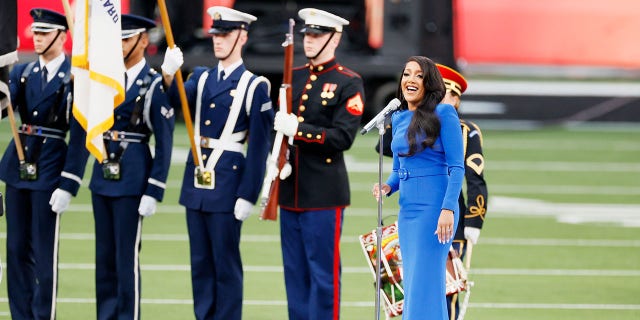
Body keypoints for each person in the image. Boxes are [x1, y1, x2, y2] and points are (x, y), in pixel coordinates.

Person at [162, 6, 274, 320]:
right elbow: (173, 102)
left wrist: (247, 194)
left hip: (228, 185)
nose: (217, 40)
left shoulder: (255, 86)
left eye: (224, 34)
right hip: (198, 183)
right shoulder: (201, 77)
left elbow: (258, 148)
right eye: (215, 34)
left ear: (242, 36)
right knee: (200, 263)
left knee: (225, 265)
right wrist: (169, 74)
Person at [67, 14, 176, 320]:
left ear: (143, 41)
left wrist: (154, 188)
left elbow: (165, 141)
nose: (120, 46)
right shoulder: (105, 79)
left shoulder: (152, 84)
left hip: (133, 179)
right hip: (103, 177)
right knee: (104, 259)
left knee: (125, 260)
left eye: (126, 40)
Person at [374, 63, 488, 319]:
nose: (410, 79)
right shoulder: (399, 117)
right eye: (406, 74)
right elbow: (398, 168)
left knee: (425, 283)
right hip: (408, 211)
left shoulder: (444, 113)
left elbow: (457, 167)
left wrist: (448, 208)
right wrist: (387, 186)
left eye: (419, 75)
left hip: (435, 209)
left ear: (430, 84)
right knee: (412, 282)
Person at [272, 8, 365, 320]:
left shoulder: (348, 83)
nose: (309, 41)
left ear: (335, 39)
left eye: (317, 35)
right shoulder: (293, 77)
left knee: (323, 277)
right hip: (289, 190)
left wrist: (297, 130)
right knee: (294, 275)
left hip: (324, 193)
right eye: (307, 35)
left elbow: (342, 138)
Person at [0, 8, 79, 319]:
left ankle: (43, 315)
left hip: (50, 167)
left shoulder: (74, 76)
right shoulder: (23, 73)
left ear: (62, 36)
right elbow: (6, 108)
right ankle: (21, 315)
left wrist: (69, 181)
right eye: (35, 32)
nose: (37, 38)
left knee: (44, 255)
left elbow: (82, 133)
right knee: (16, 251)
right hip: (19, 165)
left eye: (44, 33)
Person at [435, 64, 488, 320]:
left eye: (443, 93)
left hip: (452, 223)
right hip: (419, 215)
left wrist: (474, 222)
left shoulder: (467, 131)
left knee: (448, 291)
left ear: (456, 100)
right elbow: (385, 148)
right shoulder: (415, 123)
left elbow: (475, 178)